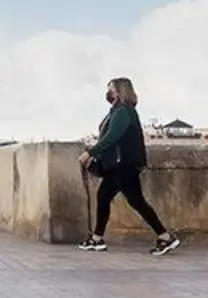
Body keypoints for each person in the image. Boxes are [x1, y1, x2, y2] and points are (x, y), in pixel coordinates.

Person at [77, 77, 181, 256]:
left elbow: (112, 137)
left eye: (111, 89)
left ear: (119, 91)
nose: (108, 93)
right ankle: (97, 238)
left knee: (136, 201)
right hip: (118, 165)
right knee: (104, 196)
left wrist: (90, 153)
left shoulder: (123, 112)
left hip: (123, 165)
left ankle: (165, 236)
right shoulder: (118, 111)